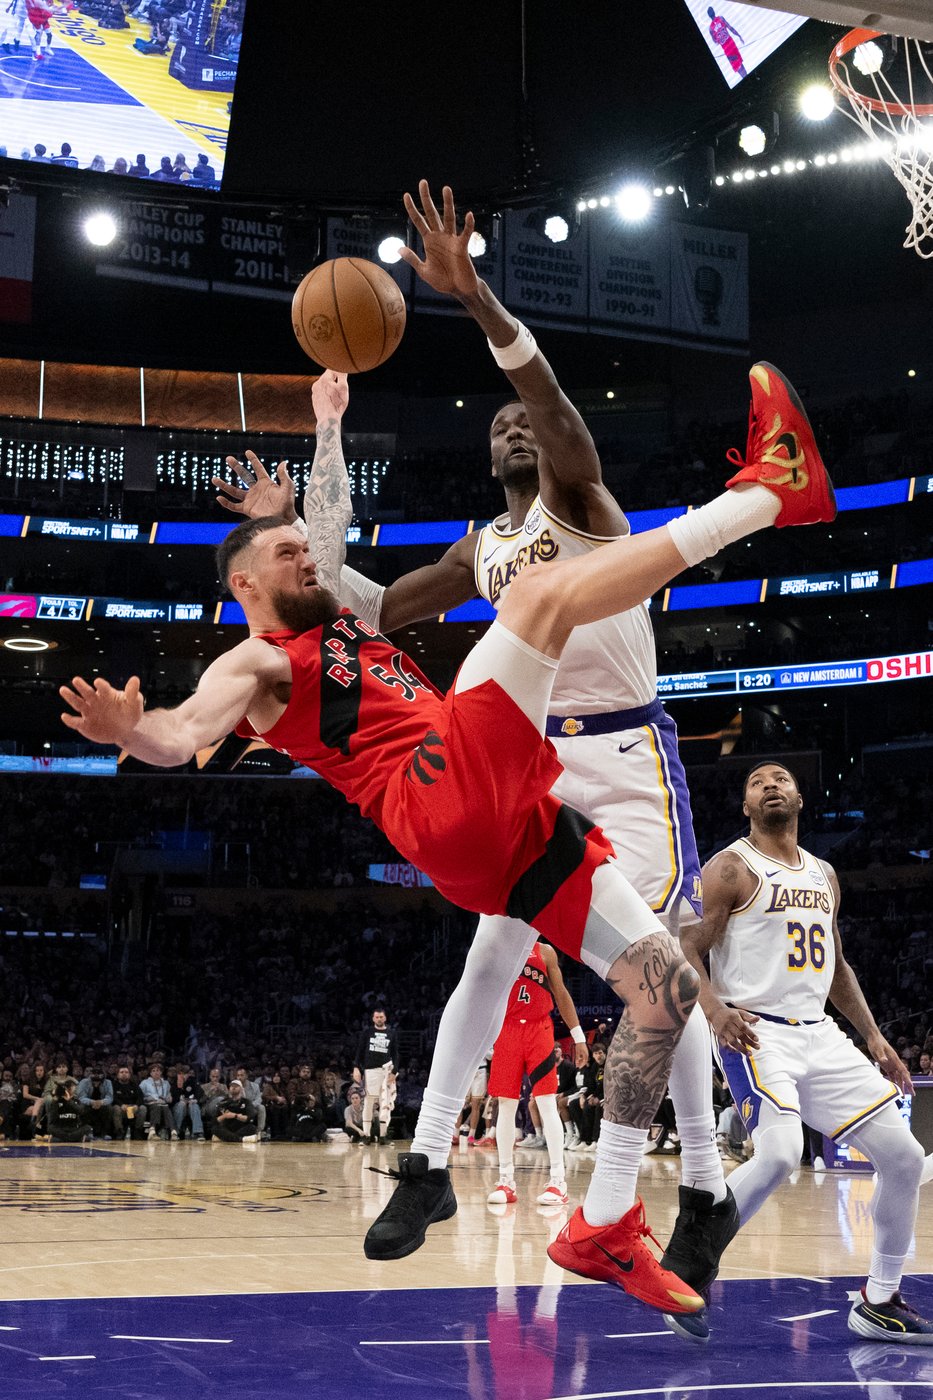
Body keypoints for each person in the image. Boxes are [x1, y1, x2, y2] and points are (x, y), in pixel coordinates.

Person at [61, 322, 834, 1322]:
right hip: (437, 789)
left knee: (667, 988)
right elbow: (185, 729)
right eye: (288, 556)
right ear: (247, 586)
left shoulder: (339, 619)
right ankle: (768, 494)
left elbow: (332, 543)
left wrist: (320, 442)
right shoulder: (259, 661)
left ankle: (604, 1220)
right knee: (539, 598)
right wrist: (139, 731)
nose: (311, 559)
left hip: (505, 825)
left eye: (307, 551)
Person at [212, 182, 745, 1286]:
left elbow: (551, 407)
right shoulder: (477, 549)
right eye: (496, 423)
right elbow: (355, 606)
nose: (512, 426)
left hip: (626, 756)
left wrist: (478, 300)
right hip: (524, 762)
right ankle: (425, 1160)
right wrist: (289, 516)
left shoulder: (580, 500)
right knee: (492, 953)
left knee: (659, 969)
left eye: (523, 422)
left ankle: (699, 1185)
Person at [680, 760, 933, 1342]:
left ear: (799, 796)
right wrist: (715, 1011)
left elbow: (836, 965)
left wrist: (874, 1037)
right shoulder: (731, 867)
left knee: (904, 1158)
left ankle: (879, 1299)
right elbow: (685, 949)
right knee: (779, 1153)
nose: (770, 785)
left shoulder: (825, 873)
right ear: (746, 806)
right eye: (757, 782)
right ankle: (687, 1268)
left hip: (820, 1032)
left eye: (781, 779)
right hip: (756, 1029)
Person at [487, 941, 587, 1209]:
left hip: (539, 1029)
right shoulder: (498, 947)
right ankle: (506, 1180)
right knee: (505, 1104)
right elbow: (482, 993)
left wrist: (578, 1036)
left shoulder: (545, 952)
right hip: (506, 1030)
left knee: (546, 1102)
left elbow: (561, 993)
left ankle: (558, 1181)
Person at [353, 1008, 398, 1146]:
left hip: (386, 1071)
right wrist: (356, 1067)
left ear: (385, 1018)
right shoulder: (367, 1032)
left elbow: (396, 1054)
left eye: (381, 1017)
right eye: (377, 1017)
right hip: (370, 1071)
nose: (379, 1019)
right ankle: (366, 1135)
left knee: (385, 1103)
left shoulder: (391, 1033)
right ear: (373, 1018)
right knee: (368, 1102)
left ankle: (383, 1136)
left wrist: (394, 1072)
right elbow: (360, 1051)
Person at [75, 1066, 114, 1139]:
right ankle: (87, 1132)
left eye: (99, 1074)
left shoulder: (108, 1082)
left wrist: (101, 1102)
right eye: (94, 1073)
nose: (96, 1075)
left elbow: (110, 1097)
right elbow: (81, 1097)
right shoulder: (84, 1082)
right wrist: (92, 1102)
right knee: (83, 1107)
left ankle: (105, 1133)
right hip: (88, 1103)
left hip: (102, 1104)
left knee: (109, 1108)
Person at [707, 6, 746, 79]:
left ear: (709, 16)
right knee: (741, 64)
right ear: (714, 12)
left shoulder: (711, 29)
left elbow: (715, 42)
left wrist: (718, 37)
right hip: (732, 44)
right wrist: (739, 36)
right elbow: (730, 28)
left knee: (738, 67)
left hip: (727, 50)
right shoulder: (721, 18)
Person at [138, 1062, 174, 1139]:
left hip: (163, 1103)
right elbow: (140, 1096)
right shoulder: (145, 1083)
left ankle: (172, 1131)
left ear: (161, 1072)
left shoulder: (166, 1083)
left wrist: (168, 1098)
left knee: (166, 1108)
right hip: (150, 1104)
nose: (156, 1072)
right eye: (153, 1071)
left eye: (158, 1070)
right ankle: (152, 1130)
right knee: (156, 1106)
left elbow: (168, 1095)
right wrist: (149, 1099)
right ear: (150, 1073)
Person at [169, 1064, 205, 1141]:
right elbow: (172, 1098)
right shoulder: (174, 1082)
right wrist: (180, 1086)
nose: (183, 1076)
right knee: (181, 1105)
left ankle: (198, 1132)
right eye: (181, 1074)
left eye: (185, 1074)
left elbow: (199, 1092)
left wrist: (195, 1099)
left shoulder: (192, 1081)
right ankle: (176, 1132)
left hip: (190, 1106)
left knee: (194, 1105)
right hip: (179, 1106)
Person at [111, 1065, 146, 1140]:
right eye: (122, 1072)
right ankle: (119, 1131)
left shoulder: (134, 1085)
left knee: (143, 1108)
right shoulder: (113, 1085)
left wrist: (136, 1105)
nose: (124, 1074)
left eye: (126, 1072)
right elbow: (113, 1098)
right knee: (116, 1108)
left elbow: (140, 1098)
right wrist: (121, 1105)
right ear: (117, 1075)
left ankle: (137, 1131)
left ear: (130, 1075)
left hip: (132, 1108)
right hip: (121, 1108)